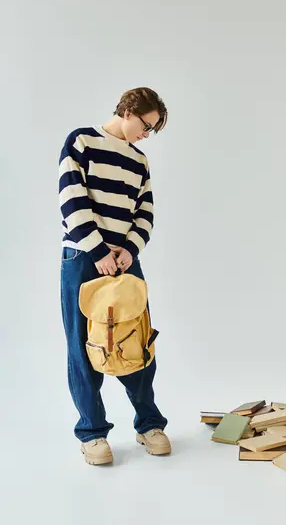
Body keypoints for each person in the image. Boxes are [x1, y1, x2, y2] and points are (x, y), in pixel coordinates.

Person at [59, 87, 171, 465]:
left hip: (124, 260)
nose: (146, 135)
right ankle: (92, 433)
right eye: (146, 125)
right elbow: (72, 199)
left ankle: (149, 424)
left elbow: (146, 213)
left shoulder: (139, 160)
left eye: (152, 130)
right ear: (127, 110)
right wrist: (98, 251)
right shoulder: (82, 141)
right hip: (83, 256)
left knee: (137, 340)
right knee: (83, 346)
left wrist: (128, 250)